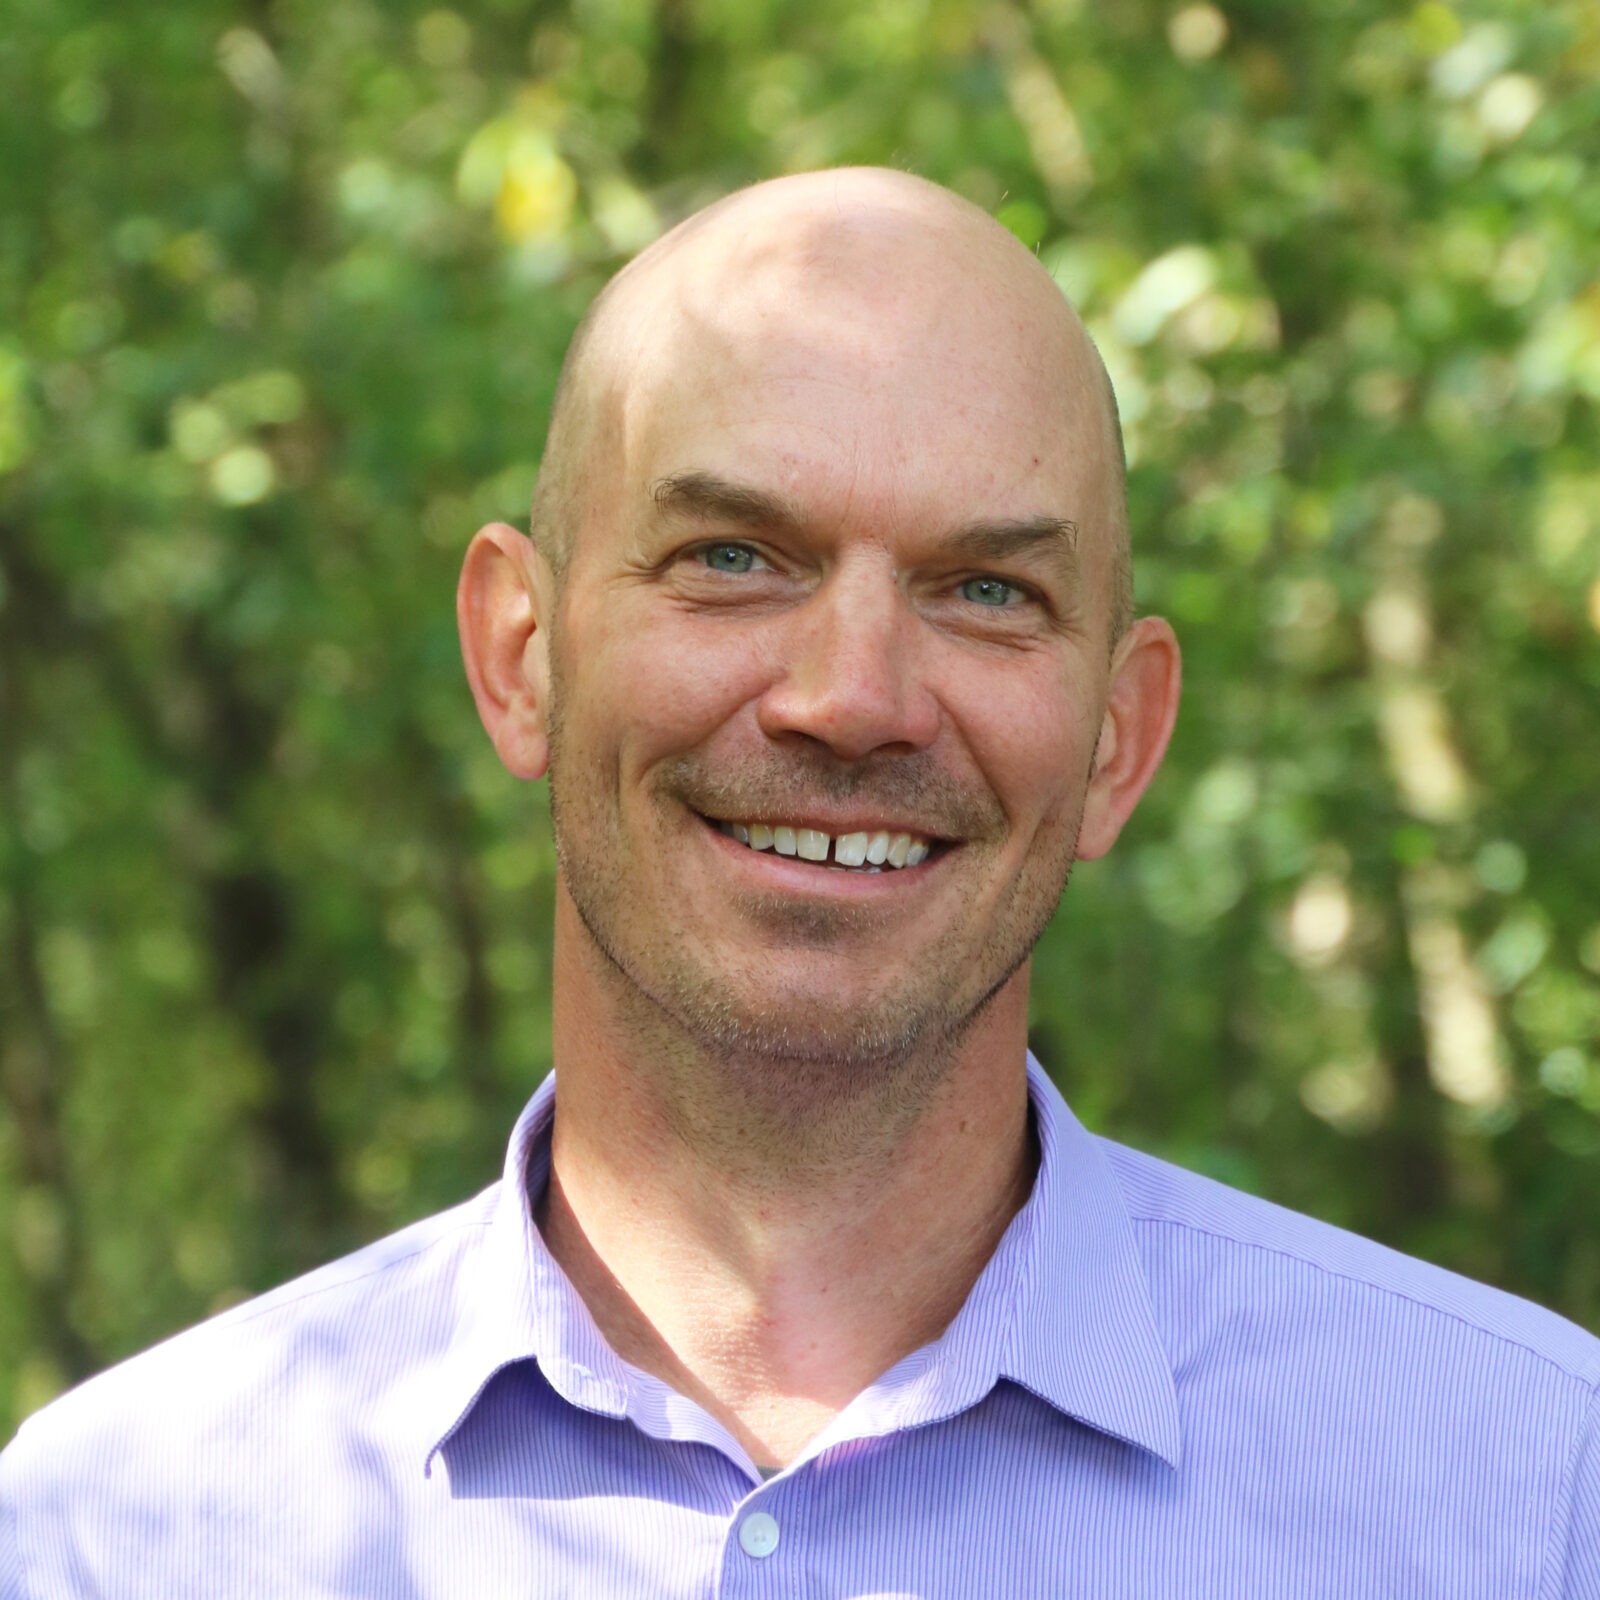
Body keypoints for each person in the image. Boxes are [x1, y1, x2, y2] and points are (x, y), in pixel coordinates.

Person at [1, 167, 1595, 1598]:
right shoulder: (114, 1537)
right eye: (733, 558)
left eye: (985, 591)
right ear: (520, 656)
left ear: (1121, 739)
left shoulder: (1531, 1502)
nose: (851, 696)